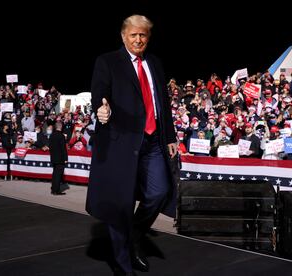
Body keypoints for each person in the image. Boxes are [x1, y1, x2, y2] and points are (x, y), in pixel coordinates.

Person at [85, 15, 178, 276]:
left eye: (143, 35)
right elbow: (99, 92)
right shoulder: (107, 61)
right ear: (123, 36)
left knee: (160, 193)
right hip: (120, 144)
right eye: (133, 35)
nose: (138, 39)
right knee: (120, 204)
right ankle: (124, 266)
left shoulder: (155, 63)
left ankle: (136, 234)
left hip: (153, 142)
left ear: (148, 37)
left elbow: (163, 104)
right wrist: (100, 109)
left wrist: (169, 136)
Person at [49, 122, 67, 195]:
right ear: (61, 127)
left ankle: (53, 189)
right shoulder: (61, 136)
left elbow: (50, 146)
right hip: (60, 158)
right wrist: (65, 158)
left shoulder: (52, 135)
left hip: (53, 157)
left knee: (54, 174)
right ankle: (56, 190)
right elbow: (63, 148)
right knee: (58, 175)